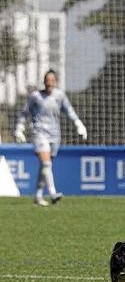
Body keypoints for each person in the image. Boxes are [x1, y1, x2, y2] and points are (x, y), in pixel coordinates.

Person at [14, 69, 87, 206]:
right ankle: (53, 193)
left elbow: (69, 110)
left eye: (52, 80)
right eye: (47, 80)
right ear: (44, 81)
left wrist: (79, 124)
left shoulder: (60, 96)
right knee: (46, 163)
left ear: (56, 82)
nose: (49, 83)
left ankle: (38, 195)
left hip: (54, 134)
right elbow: (25, 113)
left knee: (45, 166)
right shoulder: (36, 96)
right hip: (39, 132)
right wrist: (19, 128)